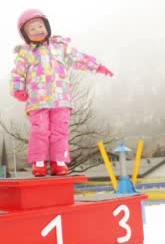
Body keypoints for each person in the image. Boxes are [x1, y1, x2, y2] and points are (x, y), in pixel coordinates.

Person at [10, 9, 113, 176]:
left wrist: (97, 66)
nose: (38, 30)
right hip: (38, 100)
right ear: (25, 34)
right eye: (32, 29)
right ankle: (39, 162)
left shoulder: (60, 47)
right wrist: (18, 89)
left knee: (60, 130)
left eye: (40, 26)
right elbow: (18, 73)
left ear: (47, 27)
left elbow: (79, 58)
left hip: (61, 99)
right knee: (40, 130)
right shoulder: (26, 53)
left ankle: (59, 161)